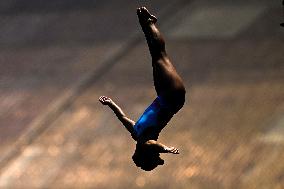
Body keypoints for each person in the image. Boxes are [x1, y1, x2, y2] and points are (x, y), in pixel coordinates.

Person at [99, 7, 186, 171]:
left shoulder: (136, 133)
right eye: (139, 161)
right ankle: (149, 23)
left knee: (156, 57)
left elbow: (122, 117)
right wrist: (166, 149)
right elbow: (154, 145)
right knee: (160, 57)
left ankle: (147, 25)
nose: (135, 159)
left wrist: (110, 103)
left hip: (164, 96)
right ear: (145, 155)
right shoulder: (147, 141)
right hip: (172, 97)